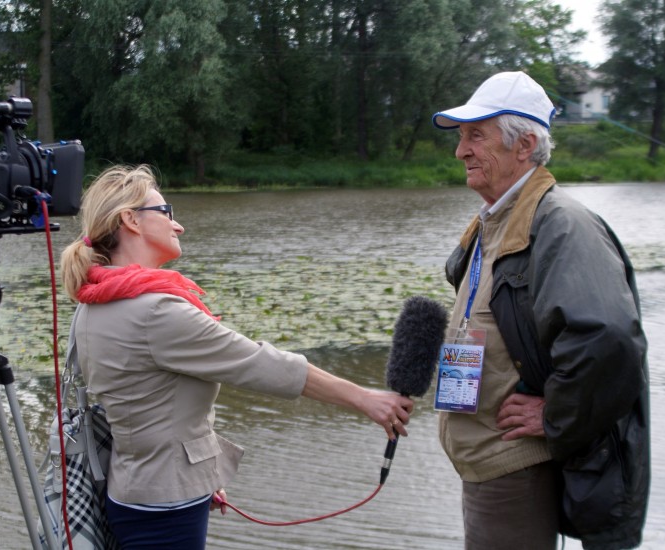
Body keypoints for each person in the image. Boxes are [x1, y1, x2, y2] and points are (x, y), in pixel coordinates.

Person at [59, 164, 413, 549]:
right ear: (131, 220)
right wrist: (365, 398)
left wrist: (200, 476)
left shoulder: (95, 301)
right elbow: (263, 365)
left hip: (135, 487)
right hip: (165, 502)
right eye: (167, 213)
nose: (178, 226)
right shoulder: (155, 311)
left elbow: (150, 406)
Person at [431, 71, 650, 549]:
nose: (461, 151)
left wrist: (555, 415)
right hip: (484, 461)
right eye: (462, 137)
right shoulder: (493, 221)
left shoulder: (561, 225)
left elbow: (609, 340)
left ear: (524, 145)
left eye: (476, 136)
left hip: (515, 466)